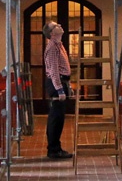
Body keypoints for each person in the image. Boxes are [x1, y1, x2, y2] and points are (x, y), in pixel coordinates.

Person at [43, 20, 73, 159]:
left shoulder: (59, 45)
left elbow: (64, 68)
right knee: (56, 117)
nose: (60, 25)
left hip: (62, 81)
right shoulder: (52, 47)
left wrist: (69, 86)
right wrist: (60, 89)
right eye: (55, 26)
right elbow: (54, 70)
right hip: (56, 83)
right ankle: (53, 150)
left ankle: (56, 147)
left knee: (60, 117)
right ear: (51, 33)